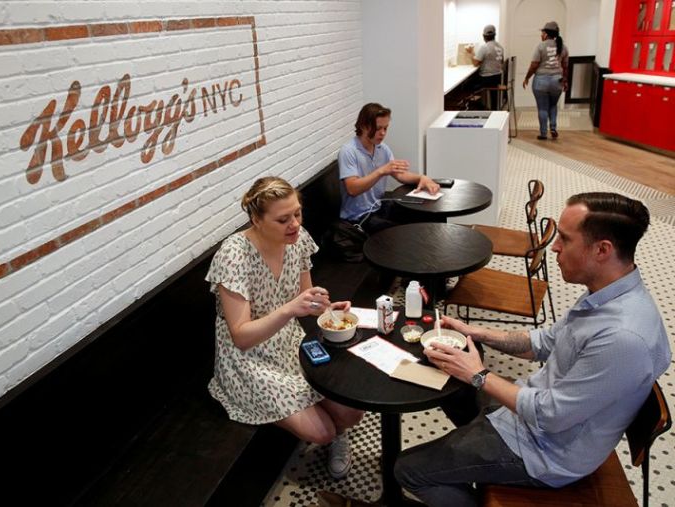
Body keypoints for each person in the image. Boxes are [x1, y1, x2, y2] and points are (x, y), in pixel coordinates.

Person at [395, 192, 671, 507]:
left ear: (602, 250)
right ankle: (468, 450)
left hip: (546, 453)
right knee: (453, 383)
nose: (553, 247)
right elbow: (542, 343)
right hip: (532, 412)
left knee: (408, 469)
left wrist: (479, 374)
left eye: (565, 240)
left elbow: (549, 416)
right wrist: (476, 332)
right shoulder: (604, 295)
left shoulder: (623, 337)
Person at [206, 176, 364, 479]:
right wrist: (291, 308)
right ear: (256, 219)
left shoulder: (297, 239)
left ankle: (338, 435)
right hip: (248, 359)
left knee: (352, 412)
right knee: (321, 432)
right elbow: (240, 336)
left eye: (297, 213)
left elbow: (307, 297)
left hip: (289, 340)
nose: (294, 224)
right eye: (283, 219)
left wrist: (328, 309)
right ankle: (330, 435)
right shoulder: (234, 255)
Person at [338, 103, 440, 234]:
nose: (383, 133)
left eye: (385, 128)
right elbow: (352, 189)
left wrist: (422, 178)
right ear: (363, 126)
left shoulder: (382, 148)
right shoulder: (348, 151)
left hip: (378, 207)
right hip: (359, 217)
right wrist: (381, 171)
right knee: (400, 232)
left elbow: (400, 175)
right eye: (378, 128)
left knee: (426, 215)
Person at [523, 21, 569, 140]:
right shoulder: (563, 47)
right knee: (553, 105)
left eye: (542, 32)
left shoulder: (540, 46)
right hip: (557, 81)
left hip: (541, 82)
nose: (541, 35)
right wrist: (565, 81)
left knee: (542, 108)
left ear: (546, 34)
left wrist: (527, 77)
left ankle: (543, 133)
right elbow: (565, 66)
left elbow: (534, 65)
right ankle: (553, 127)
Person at [467, 24, 505, 109]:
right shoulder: (500, 47)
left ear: (484, 36)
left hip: (487, 78)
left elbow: (475, 63)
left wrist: (470, 53)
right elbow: (501, 62)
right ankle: (494, 110)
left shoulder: (484, 47)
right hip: (498, 77)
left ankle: (479, 108)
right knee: (493, 95)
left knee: (466, 86)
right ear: (494, 35)